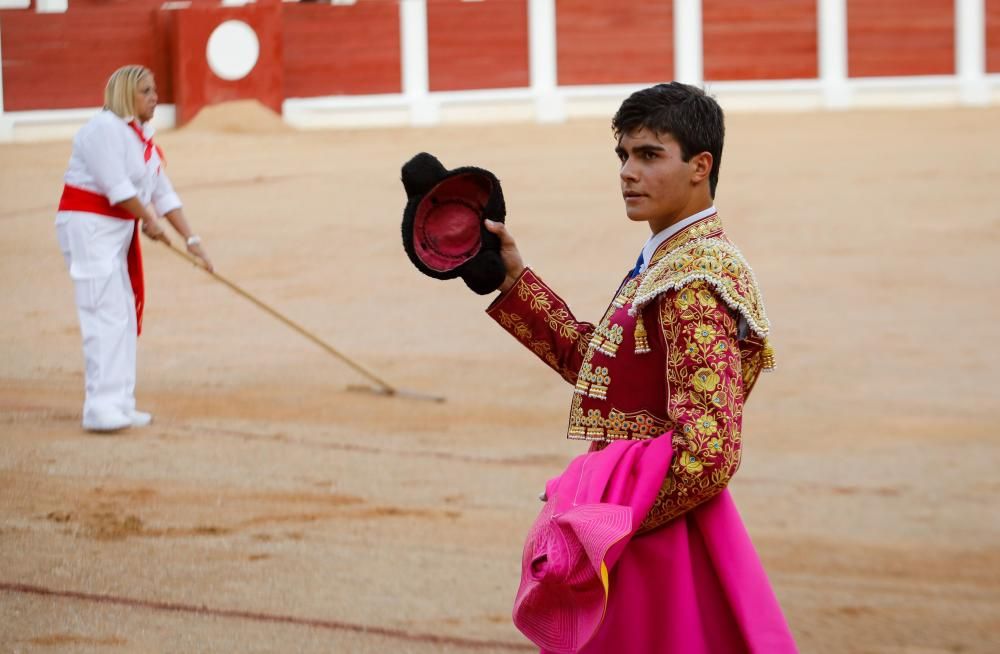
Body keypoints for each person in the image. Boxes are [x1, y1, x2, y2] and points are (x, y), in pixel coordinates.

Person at [483, 83, 798, 652]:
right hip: (646, 521)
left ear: (701, 166)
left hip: (655, 538)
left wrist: (601, 521)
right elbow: (601, 369)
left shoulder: (694, 280)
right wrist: (513, 280)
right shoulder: (669, 260)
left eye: (649, 155)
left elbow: (709, 451)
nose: (628, 172)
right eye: (623, 156)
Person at [55, 65, 212, 433]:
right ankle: (100, 407)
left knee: (122, 314)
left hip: (116, 231)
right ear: (126, 94)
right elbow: (118, 188)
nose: (155, 97)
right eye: (146, 91)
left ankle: (121, 402)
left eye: (155, 90)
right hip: (89, 230)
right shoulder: (101, 131)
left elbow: (162, 192)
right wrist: (151, 222)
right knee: (104, 313)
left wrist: (193, 241)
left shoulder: (143, 137)